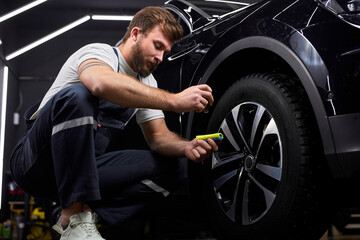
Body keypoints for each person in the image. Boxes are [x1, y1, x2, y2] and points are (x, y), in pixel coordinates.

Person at [10, 6, 218, 240]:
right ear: (136, 34)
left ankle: (83, 217)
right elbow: (99, 83)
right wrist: (175, 101)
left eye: (165, 52)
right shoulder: (100, 53)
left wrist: (186, 146)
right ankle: (74, 212)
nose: (160, 57)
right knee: (78, 95)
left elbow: (159, 138)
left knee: (174, 167)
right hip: (36, 162)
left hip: (86, 169)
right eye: (157, 46)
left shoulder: (148, 81)